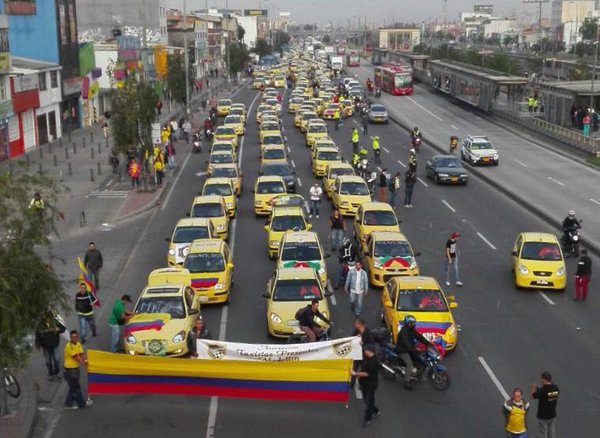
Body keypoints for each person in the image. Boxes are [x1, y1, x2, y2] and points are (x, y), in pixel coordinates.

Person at [395, 315, 431, 390]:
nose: (414, 324)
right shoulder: (403, 332)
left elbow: (419, 337)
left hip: (409, 349)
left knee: (420, 359)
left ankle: (417, 374)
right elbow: (407, 344)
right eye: (412, 323)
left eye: (414, 323)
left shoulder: (411, 330)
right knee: (409, 364)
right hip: (402, 350)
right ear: (408, 323)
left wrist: (428, 343)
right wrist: (415, 349)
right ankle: (406, 381)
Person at [350, 344, 380, 427]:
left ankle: (367, 419)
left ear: (369, 351)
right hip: (365, 384)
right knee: (367, 401)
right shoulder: (369, 358)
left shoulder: (373, 362)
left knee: (369, 402)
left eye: (365, 350)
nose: (364, 351)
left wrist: (355, 373)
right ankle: (376, 410)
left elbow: (366, 374)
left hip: (370, 385)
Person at [63, 330, 93, 409]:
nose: (74, 338)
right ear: (70, 337)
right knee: (76, 388)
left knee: (73, 387)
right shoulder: (69, 346)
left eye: (76, 336)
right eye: (73, 337)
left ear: (77, 337)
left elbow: (82, 354)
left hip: (75, 369)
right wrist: (85, 365)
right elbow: (77, 358)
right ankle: (81, 404)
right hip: (70, 371)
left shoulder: (78, 344)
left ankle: (68, 404)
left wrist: (86, 361)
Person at [35, 312, 66, 380]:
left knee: (57, 360)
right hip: (45, 346)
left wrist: (59, 329)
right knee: (48, 361)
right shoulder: (40, 324)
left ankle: (56, 372)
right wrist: (38, 345)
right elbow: (37, 335)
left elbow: (63, 328)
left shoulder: (55, 322)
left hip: (55, 344)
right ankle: (50, 373)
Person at [531, 371, 559, 438]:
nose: (540, 380)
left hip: (543, 416)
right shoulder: (555, 388)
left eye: (541, 378)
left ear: (544, 379)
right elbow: (547, 395)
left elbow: (534, 395)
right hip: (552, 415)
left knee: (543, 434)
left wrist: (533, 388)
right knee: (551, 432)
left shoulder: (543, 390)